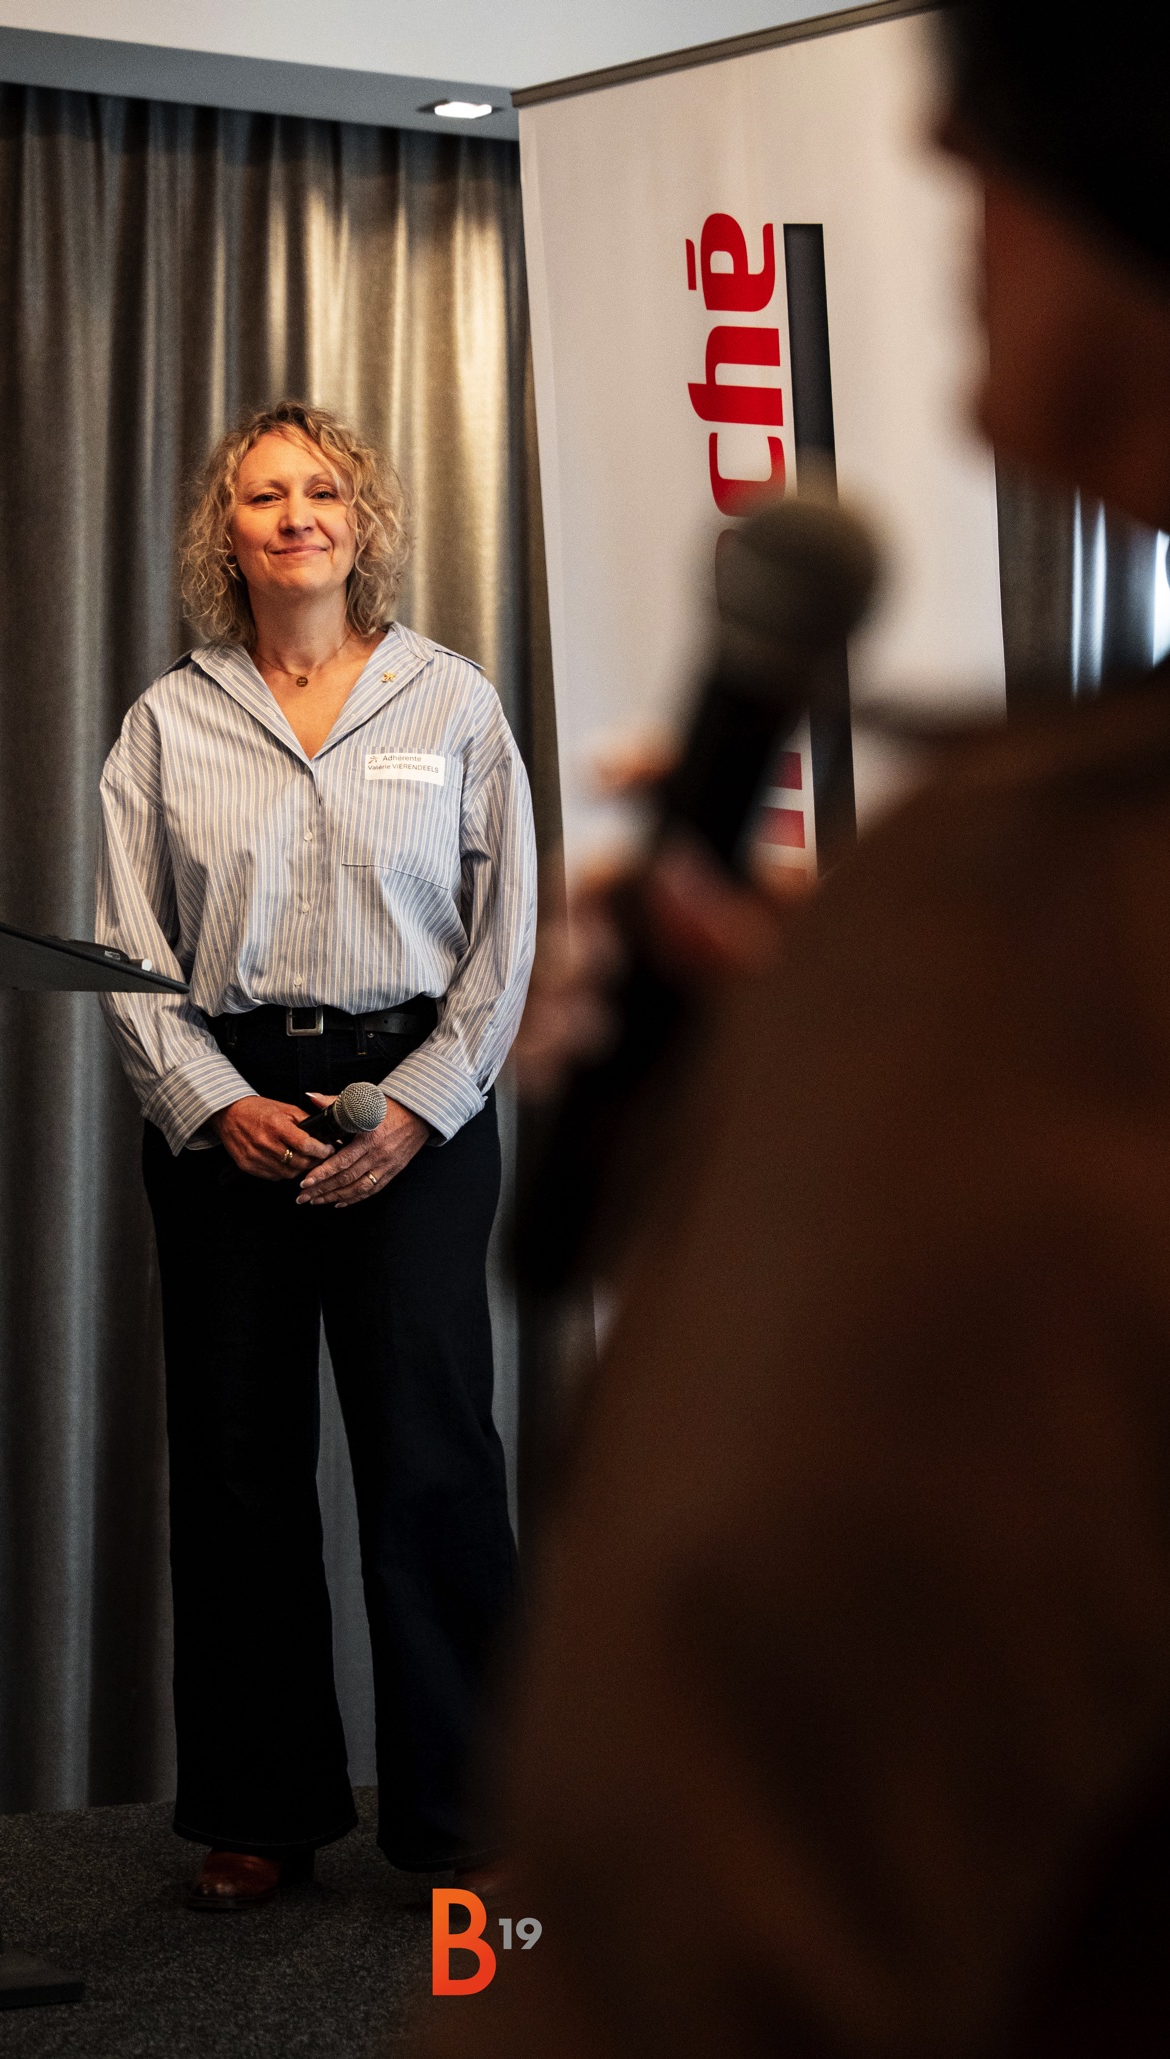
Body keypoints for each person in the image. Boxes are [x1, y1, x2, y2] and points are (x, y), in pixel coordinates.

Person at [418, 2, 1170, 2052]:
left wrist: (868, 1090)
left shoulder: (1043, 923)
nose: (941, 161)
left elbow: (733, 1877)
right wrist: (814, 1082)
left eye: (1005, 98)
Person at [95, 400, 535, 1906]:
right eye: (266, 495)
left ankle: (468, 1818)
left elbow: (506, 939)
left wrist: (418, 1106)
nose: (297, 516)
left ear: (364, 523)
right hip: (229, 1115)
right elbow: (125, 947)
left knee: (433, 1457)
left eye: (324, 491)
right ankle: (259, 1808)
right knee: (237, 1465)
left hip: (415, 1106)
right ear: (226, 533)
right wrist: (214, 1102)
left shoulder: (450, 701)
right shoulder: (168, 722)